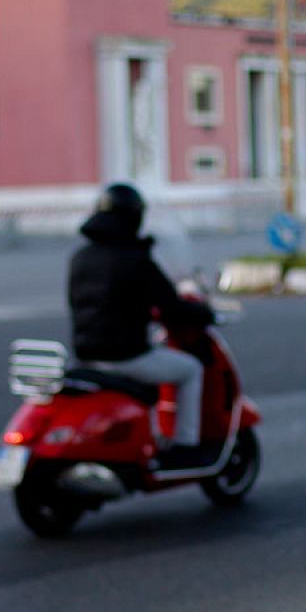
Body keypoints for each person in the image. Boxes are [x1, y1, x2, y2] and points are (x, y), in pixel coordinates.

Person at [68, 183, 214, 469]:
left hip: (87, 355)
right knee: (190, 370)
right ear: (133, 217)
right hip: (127, 356)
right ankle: (185, 446)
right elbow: (172, 307)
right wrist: (203, 313)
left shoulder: (80, 257)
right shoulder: (135, 260)